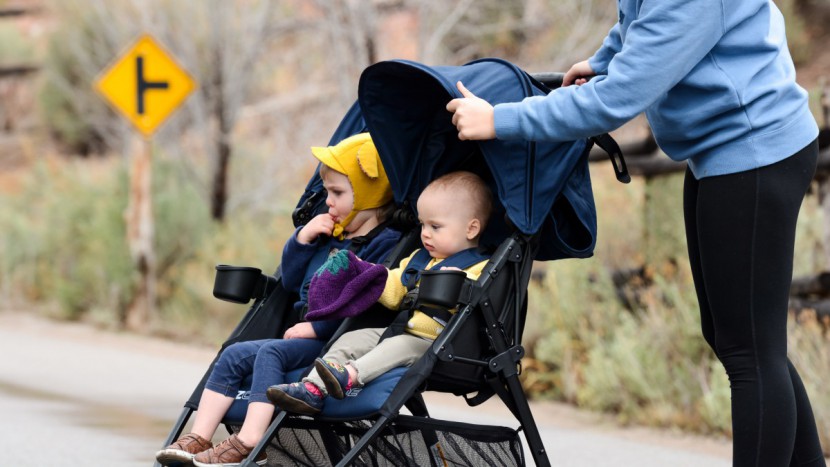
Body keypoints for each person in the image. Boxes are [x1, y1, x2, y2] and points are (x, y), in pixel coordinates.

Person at [446, 2, 826, 466]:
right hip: (722, 150)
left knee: (749, 351)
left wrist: (501, 120)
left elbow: (616, 99)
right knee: (743, 340)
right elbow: (639, 18)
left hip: (754, 150)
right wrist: (603, 58)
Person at [155, 132, 401, 467]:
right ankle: (198, 437)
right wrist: (302, 239)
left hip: (335, 341)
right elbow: (291, 279)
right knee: (233, 354)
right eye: (327, 191)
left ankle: (249, 440)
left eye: (338, 193)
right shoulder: (330, 234)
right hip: (306, 331)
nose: (328, 201)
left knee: (270, 352)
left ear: (370, 195)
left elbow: (360, 300)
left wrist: (315, 330)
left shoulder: (383, 245)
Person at [266, 171, 493, 415]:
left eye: (435, 226)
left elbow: (471, 301)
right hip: (398, 329)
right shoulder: (418, 259)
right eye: (423, 224)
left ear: (471, 229)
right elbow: (395, 290)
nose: (425, 233)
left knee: (399, 346)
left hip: (436, 344)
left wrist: (456, 282)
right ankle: (312, 389)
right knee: (351, 339)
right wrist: (369, 273)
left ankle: (351, 375)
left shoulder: (478, 267)